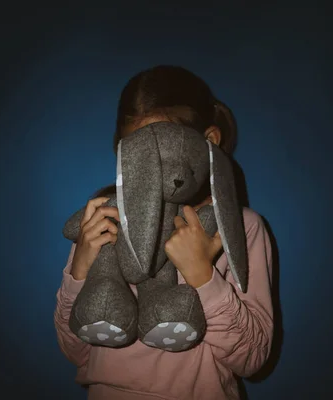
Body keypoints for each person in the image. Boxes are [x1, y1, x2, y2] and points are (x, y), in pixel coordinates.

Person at [54, 65, 274, 400]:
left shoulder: (241, 228)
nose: (150, 168)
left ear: (208, 142)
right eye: (138, 152)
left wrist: (202, 276)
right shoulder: (104, 216)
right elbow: (76, 353)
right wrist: (79, 272)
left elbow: (252, 357)